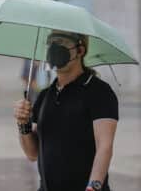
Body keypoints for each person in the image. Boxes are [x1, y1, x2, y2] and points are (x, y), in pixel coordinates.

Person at [14, 31, 119, 191]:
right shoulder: (45, 96)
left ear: (80, 50)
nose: (54, 48)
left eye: (61, 42)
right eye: (51, 43)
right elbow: (32, 153)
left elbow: (104, 147)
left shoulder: (99, 91)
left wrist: (93, 187)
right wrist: (23, 125)